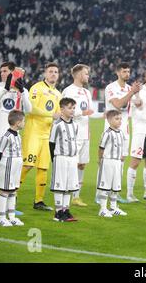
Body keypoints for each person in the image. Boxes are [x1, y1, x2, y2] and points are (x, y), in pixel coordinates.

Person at [0, 62, 31, 218]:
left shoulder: (22, 90)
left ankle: (11, 206)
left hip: (13, 137)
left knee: (13, 172)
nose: (2, 73)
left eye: (5, 71)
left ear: (13, 73)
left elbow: (29, 110)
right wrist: (5, 88)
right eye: (1, 71)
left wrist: (22, 92)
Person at [20, 62, 62, 211]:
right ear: (45, 73)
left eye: (56, 72)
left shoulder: (58, 94)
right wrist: (51, 114)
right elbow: (31, 109)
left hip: (46, 135)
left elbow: (58, 115)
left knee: (43, 168)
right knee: (28, 165)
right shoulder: (37, 88)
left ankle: (39, 201)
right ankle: (12, 194)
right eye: (50, 71)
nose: (53, 74)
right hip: (33, 132)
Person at [104, 63, 141, 203]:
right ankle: (101, 192)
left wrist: (137, 94)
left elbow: (139, 104)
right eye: (125, 71)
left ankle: (114, 192)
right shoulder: (111, 87)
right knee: (108, 161)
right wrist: (131, 92)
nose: (127, 74)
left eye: (129, 71)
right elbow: (118, 104)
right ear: (118, 72)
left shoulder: (128, 88)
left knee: (120, 161)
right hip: (111, 130)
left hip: (124, 130)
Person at [62, 64, 94, 207]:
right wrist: (82, 113)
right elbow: (65, 112)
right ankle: (66, 195)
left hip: (84, 134)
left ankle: (76, 196)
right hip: (73, 134)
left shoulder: (87, 92)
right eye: (86, 74)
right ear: (78, 75)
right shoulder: (69, 91)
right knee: (71, 164)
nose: (88, 76)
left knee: (82, 164)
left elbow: (90, 112)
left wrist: (89, 130)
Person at [126, 69, 146, 202]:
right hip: (140, 131)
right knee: (135, 162)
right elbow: (137, 111)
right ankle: (129, 194)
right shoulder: (139, 91)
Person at [49, 97, 79, 222]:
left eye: (73, 108)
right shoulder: (57, 125)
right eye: (69, 108)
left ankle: (66, 210)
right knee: (59, 185)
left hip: (72, 159)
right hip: (60, 158)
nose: (72, 110)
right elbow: (51, 144)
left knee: (69, 185)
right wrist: (54, 159)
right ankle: (58, 212)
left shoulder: (75, 125)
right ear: (62, 109)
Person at [0, 110, 26, 227]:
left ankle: (12, 217)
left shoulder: (18, 135)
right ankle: (1, 218)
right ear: (17, 122)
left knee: (13, 190)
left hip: (17, 165)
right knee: (5, 190)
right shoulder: (6, 136)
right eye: (23, 121)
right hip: (8, 164)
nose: (24, 123)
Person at [97, 110, 127, 217]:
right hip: (108, 161)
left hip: (117, 163)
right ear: (109, 120)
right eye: (116, 119)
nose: (119, 121)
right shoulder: (107, 133)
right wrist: (100, 160)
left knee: (116, 186)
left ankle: (113, 208)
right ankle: (103, 209)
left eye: (120, 119)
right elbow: (101, 148)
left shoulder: (121, 133)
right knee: (105, 186)